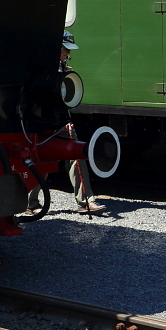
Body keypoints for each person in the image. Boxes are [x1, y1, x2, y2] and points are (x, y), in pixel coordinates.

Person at [59, 31, 105, 213]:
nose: (68, 54)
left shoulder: (62, 67)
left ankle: (86, 199)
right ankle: (30, 202)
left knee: (76, 157)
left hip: (61, 119)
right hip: (47, 121)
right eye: (65, 50)